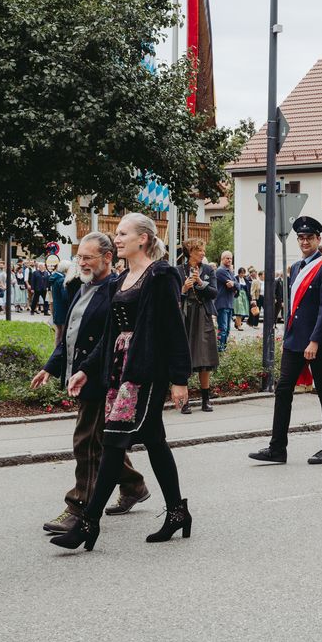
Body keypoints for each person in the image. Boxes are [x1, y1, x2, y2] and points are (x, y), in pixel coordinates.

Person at [51, 213, 193, 551]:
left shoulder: (161, 275)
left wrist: (179, 379)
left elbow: (174, 328)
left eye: (123, 234)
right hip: (119, 370)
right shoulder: (120, 280)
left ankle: (88, 523)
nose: (117, 239)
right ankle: (178, 512)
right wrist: (86, 369)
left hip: (146, 371)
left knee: (113, 441)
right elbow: (108, 334)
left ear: (143, 239)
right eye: (117, 234)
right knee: (155, 441)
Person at [34, 232, 151, 534]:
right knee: (101, 439)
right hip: (80, 374)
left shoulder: (116, 289)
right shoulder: (82, 286)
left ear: (107, 258)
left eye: (88, 257)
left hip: (101, 377)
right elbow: (70, 335)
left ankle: (78, 508)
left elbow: (107, 340)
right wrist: (50, 367)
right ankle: (134, 486)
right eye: (79, 257)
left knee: (86, 441)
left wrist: (85, 369)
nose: (82, 263)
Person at [248, 217, 322, 465]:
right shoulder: (297, 267)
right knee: (283, 390)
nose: (304, 242)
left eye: (309, 238)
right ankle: (277, 448)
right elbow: (294, 307)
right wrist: (288, 335)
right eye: (301, 238)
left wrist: (315, 341)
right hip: (295, 339)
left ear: (318, 239)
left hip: (316, 341)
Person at [176, 238, 220, 413]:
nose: (203, 253)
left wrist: (201, 283)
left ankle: (205, 400)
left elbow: (214, 293)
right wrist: (183, 289)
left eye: (203, 250)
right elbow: (172, 296)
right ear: (190, 252)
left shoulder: (208, 270)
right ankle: (184, 402)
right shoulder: (178, 270)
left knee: (205, 359)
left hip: (203, 315)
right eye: (199, 250)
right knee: (184, 357)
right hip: (185, 316)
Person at [213, 252, 236, 351]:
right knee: (223, 329)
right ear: (222, 259)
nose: (229, 260)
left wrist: (234, 284)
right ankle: (220, 350)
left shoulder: (229, 271)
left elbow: (238, 285)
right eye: (227, 258)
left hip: (229, 303)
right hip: (222, 304)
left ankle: (223, 349)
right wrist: (235, 285)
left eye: (231, 258)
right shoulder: (221, 271)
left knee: (227, 330)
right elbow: (234, 286)